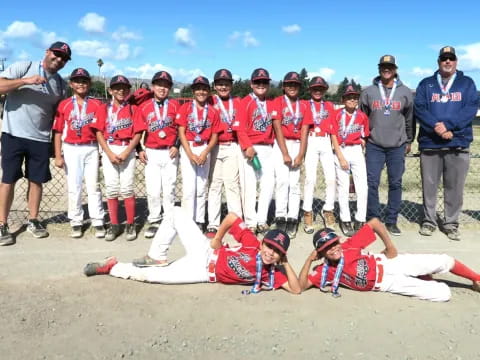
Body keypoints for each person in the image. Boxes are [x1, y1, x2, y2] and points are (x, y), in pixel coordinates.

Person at [83, 207, 301, 295]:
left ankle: (113, 267)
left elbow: (296, 289)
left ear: (281, 256)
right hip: (206, 251)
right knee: (176, 212)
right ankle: (157, 256)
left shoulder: (272, 272)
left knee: (149, 277)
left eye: (277, 251)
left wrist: (285, 263)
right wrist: (217, 238)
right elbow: (232, 217)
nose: (271, 253)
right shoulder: (254, 243)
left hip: (203, 272)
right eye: (270, 246)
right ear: (263, 243)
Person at [298, 218, 480, 302]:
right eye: (326, 248)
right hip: (387, 283)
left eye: (333, 243)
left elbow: (374, 222)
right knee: (443, 294)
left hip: (388, 262)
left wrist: (390, 245)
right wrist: (309, 260)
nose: (333, 248)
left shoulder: (349, 245)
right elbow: (300, 286)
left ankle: (476, 278)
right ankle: (422, 276)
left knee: (444, 260)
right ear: (321, 253)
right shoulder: (325, 270)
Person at [0, 41, 70, 245]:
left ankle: (33, 220)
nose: (59, 60)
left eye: (63, 59)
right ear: (47, 52)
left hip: (40, 138)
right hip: (13, 134)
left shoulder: (60, 84)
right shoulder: (24, 67)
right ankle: (2, 224)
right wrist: (25, 81)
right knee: (8, 180)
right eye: (56, 55)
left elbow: (60, 114)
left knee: (36, 180)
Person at [415, 46, 479, 241]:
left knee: (454, 187)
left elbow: (470, 108)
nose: (448, 62)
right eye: (444, 59)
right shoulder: (426, 84)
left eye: (451, 58)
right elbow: (419, 107)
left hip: (457, 142)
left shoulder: (466, 83)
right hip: (430, 143)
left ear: (456, 61)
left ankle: (451, 223)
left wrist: (449, 126)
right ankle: (429, 221)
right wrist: (437, 127)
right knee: (430, 186)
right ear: (438, 62)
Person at [360, 55, 414, 236]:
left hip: (397, 145)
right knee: (371, 182)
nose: (386, 69)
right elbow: (362, 118)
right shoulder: (368, 92)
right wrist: (362, 138)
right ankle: (373, 219)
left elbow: (409, 118)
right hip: (374, 144)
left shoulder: (405, 91)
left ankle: (391, 220)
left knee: (395, 183)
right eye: (383, 66)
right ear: (379, 69)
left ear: (395, 69)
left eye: (390, 67)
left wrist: (409, 140)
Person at [52, 68, 106, 238]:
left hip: (90, 147)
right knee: (74, 186)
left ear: (89, 83)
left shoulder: (97, 104)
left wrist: (101, 153)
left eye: (84, 81)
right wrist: (58, 155)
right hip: (71, 147)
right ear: (71, 84)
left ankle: (98, 220)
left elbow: (101, 132)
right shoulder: (65, 104)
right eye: (77, 81)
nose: (80, 84)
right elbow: (58, 131)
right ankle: (76, 221)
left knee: (93, 186)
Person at [93, 75, 142, 241]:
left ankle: (130, 224)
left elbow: (138, 133)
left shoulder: (134, 108)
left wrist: (128, 151)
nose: (121, 91)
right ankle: (114, 224)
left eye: (124, 88)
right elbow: (99, 132)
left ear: (129, 90)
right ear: (110, 90)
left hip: (127, 148)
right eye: (117, 88)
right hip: (110, 147)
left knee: (127, 188)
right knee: (112, 187)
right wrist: (108, 152)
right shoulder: (103, 109)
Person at [135, 71, 181, 239]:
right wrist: (138, 150)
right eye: (159, 85)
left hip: (170, 152)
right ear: (153, 87)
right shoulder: (144, 107)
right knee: (153, 190)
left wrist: (177, 145)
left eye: (166, 85)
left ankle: (169, 221)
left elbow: (180, 129)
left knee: (170, 189)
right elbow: (138, 131)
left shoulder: (176, 105)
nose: (162, 88)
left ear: (169, 88)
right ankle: (154, 220)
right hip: (152, 152)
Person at [234, 68, 278, 234]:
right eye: (257, 82)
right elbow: (239, 128)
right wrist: (247, 146)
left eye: (264, 82)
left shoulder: (271, 103)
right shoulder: (245, 102)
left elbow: (274, 127)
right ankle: (251, 222)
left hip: (268, 148)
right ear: (251, 84)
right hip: (251, 148)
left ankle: (262, 219)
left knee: (268, 184)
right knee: (250, 186)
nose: (261, 85)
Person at [176, 76, 220, 229]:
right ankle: (189, 221)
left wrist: (205, 152)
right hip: (189, 146)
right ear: (193, 91)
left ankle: (200, 220)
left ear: (208, 91)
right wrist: (189, 154)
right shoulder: (186, 108)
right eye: (198, 89)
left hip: (204, 148)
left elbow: (215, 135)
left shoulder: (213, 111)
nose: (201, 92)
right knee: (189, 189)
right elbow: (181, 132)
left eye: (204, 89)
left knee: (201, 187)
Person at [271, 72, 311, 238]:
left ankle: (292, 217)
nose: (292, 87)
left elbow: (304, 131)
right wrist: (285, 153)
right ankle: (280, 216)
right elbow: (277, 127)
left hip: (297, 144)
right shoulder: (278, 102)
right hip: (282, 144)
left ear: (299, 87)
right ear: (283, 86)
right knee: (282, 181)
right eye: (289, 84)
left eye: (295, 84)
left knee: (294, 184)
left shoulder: (304, 105)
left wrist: (301, 154)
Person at [206, 69, 243, 239]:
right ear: (214, 86)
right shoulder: (209, 100)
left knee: (232, 185)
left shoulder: (238, 101)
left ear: (231, 85)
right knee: (214, 185)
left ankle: (236, 222)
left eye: (226, 84)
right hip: (214, 146)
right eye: (220, 84)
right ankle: (213, 223)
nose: (223, 87)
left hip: (232, 145)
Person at [331, 85, 369, 236]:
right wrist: (340, 156)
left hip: (356, 150)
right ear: (343, 99)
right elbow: (333, 135)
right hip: (341, 149)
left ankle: (360, 218)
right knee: (343, 186)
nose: (352, 99)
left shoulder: (362, 116)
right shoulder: (336, 114)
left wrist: (362, 141)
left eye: (355, 97)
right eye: (349, 97)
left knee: (362, 186)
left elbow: (364, 134)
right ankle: (345, 219)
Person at [302, 76, 337, 233]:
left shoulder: (329, 105)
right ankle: (308, 211)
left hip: (326, 140)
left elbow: (335, 127)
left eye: (320, 88)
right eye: (314, 88)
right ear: (310, 90)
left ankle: (328, 209)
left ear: (324, 90)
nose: (317, 91)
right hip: (311, 140)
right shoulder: (304, 104)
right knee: (310, 179)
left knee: (331, 178)